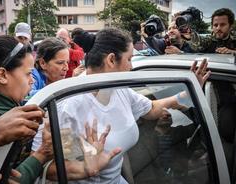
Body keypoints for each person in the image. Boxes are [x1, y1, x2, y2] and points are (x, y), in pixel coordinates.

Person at [32, 28, 210, 183]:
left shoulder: (118, 89)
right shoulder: (68, 105)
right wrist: (85, 169)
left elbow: (152, 108)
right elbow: (44, 166)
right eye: (129, 59)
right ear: (111, 60)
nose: (132, 66)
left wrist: (188, 92)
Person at [0, 35, 120, 183]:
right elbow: (2, 179)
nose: (32, 81)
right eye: (28, 74)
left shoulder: (10, 104)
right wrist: (42, 152)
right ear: (2, 75)